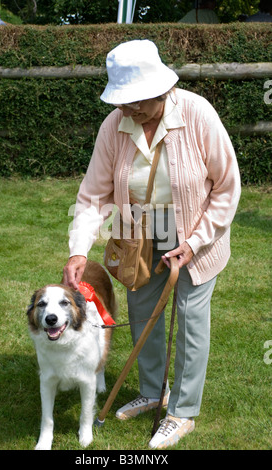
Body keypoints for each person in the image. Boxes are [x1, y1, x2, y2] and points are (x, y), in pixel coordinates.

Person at [62, 39, 241, 449]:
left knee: (191, 320)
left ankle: (182, 410)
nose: (130, 110)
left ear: (161, 88)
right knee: (143, 314)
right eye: (123, 102)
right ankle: (151, 390)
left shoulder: (197, 114)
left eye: (138, 101)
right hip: (139, 231)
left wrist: (194, 243)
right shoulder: (114, 125)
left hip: (198, 229)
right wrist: (78, 248)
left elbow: (227, 188)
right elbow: (93, 196)